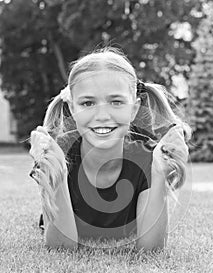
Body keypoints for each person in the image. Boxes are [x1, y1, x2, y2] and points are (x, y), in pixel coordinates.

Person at [29, 47, 191, 251]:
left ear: (133, 109)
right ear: (72, 109)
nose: (103, 115)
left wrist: (159, 173)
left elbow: (150, 251)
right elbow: (62, 248)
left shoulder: (148, 158)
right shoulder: (59, 152)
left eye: (116, 102)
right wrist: (57, 172)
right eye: (88, 103)